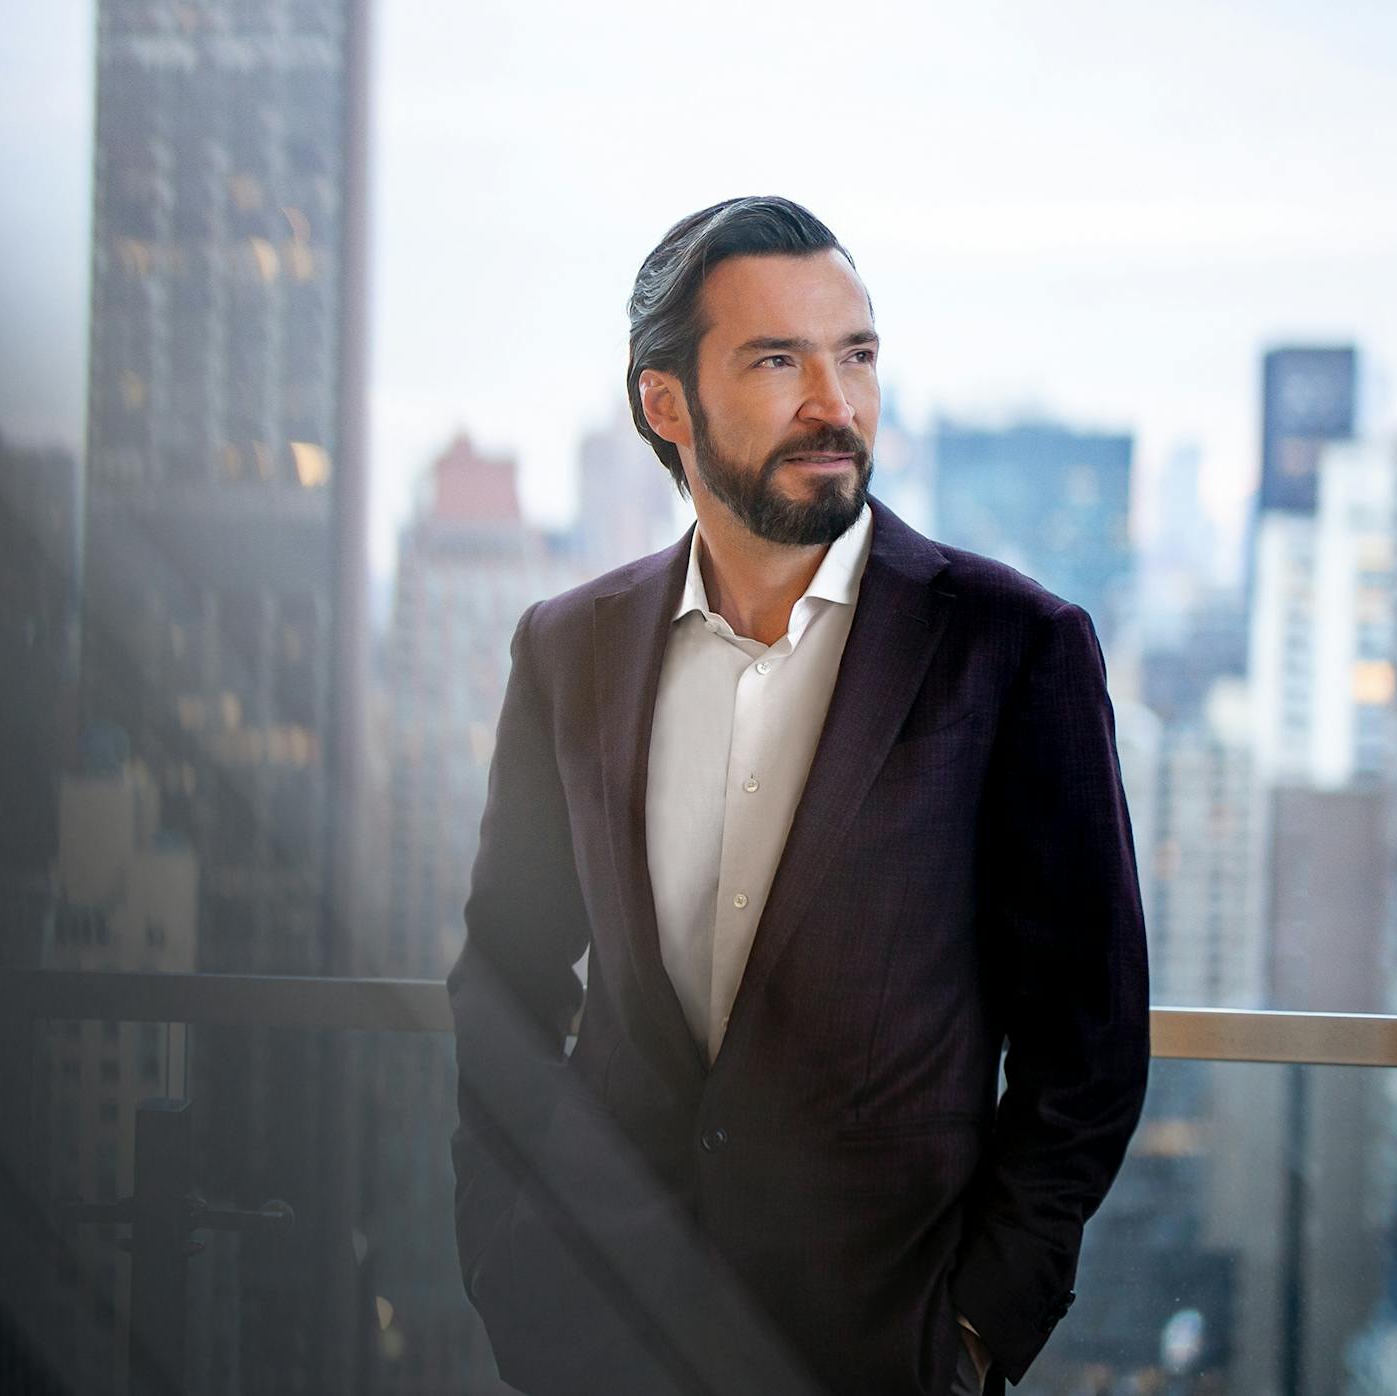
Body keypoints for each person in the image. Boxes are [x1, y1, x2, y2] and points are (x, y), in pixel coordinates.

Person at [446, 196, 1149, 1396]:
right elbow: (507, 972)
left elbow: (1086, 1041)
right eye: (779, 359)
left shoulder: (1012, 649)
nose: (837, 402)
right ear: (665, 402)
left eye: (857, 355)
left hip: (882, 1346)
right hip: (599, 1340)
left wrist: (977, 1329)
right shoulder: (568, 650)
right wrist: (508, 1260)